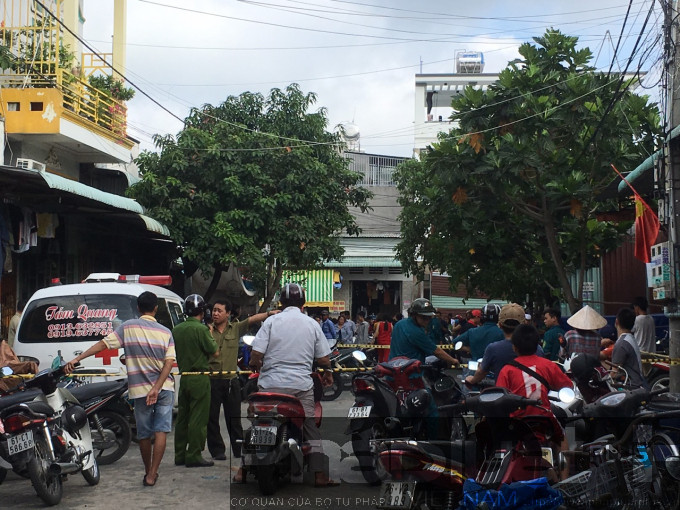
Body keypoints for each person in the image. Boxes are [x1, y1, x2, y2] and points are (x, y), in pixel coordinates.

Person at [65, 291, 175, 487]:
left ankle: (147, 470)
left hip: (140, 390)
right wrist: (157, 388)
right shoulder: (166, 332)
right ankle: (153, 474)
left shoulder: (128, 327)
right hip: (164, 388)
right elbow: (168, 364)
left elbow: (103, 345)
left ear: (139, 308)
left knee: (144, 433)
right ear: (156, 308)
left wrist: (77, 359)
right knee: (161, 431)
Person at [248, 283, 339, 487]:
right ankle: (319, 475)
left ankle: (242, 472)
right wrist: (328, 373)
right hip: (300, 387)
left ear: (281, 301)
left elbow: (256, 355)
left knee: (256, 421)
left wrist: (256, 366)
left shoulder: (271, 322)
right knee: (310, 427)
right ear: (303, 303)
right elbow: (324, 360)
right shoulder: (311, 324)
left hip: (269, 386)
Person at [207, 300, 279, 476]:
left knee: (234, 417)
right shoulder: (206, 330)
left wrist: (270, 314)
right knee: (212, 418)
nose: (215, 314)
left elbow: (253, 319)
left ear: (228, 314)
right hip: (211, 380)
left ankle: (238, 448)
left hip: (231, 381)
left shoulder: (235, 328)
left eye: (219, 310)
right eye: (213, 311)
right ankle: (217, 450)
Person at [496, 324, 573, 451]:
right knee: (562, 439)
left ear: (514, 347)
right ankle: (563, 471)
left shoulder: (507, 370)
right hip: (544, 418)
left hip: (517, 420)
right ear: (537, 345)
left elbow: (499, 397)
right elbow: (567, 385)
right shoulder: (548, 365)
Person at [173, 294, 218, 468]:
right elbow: (214, 352)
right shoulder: (202, 330)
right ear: (203, 310)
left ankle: (180, 454)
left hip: (184, 377)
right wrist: (211, 333)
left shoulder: (177, 329)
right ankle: (194, 455)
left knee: (183, 418)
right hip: (200, 378)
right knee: (198, 419)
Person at [465, 303, 544, 385]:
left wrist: (472, 380)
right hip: (532, 396)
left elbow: (481, 372)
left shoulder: (493, 348)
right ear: (524, 323)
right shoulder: (537, 349)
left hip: (502, 395)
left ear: (500, 324)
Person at [389, 298, 460, 366]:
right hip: (410, 373)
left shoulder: (399, 324)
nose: (427, 320)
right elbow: (436, 351)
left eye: (429, 317)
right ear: (414, 315)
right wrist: (453, 360)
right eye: (424, 317)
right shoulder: (416, 331)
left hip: (393, 369)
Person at [610, 307, 648, 389]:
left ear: (617, 321)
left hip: (630, 387)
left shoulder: (621, 344)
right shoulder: (630, 338)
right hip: (639, 383)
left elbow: (614, 373)